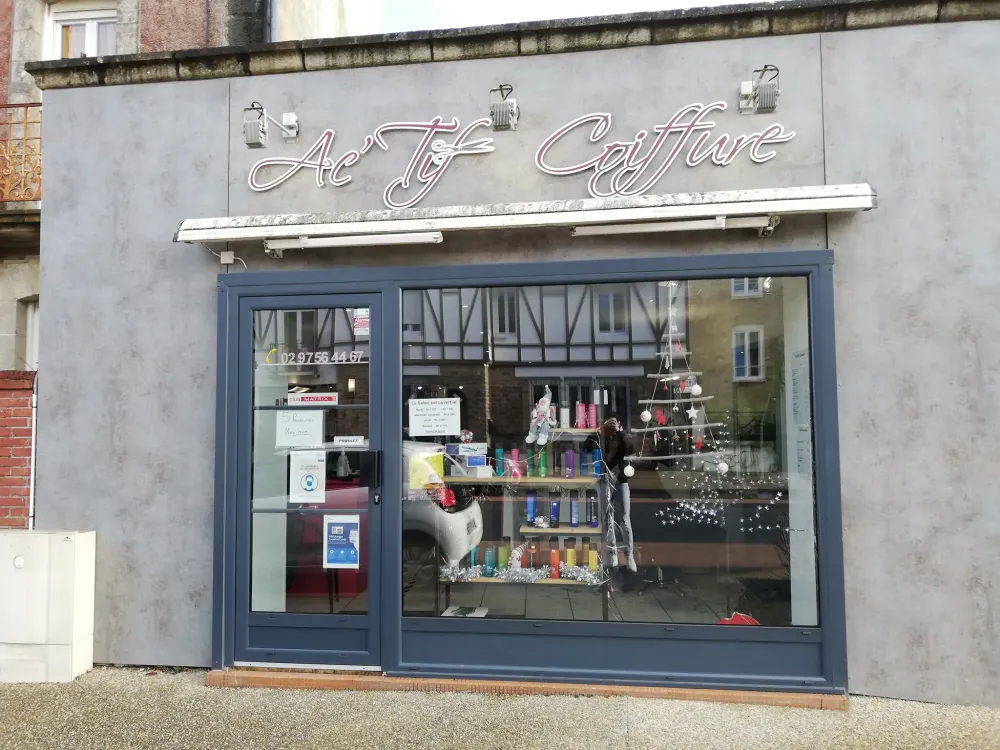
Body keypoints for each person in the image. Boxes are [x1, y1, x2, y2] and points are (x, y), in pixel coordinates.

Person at [602, 415, 637, 574]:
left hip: (622, 480)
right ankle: (612, 552)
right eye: (610, 422)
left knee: (625, 518)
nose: (612, 424)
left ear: (620, 423)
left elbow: (631, 449)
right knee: (608, 518)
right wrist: (602, 430)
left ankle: (629, 555)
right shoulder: (601, 435)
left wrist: (620, 432)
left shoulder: (623, 436)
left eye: (614, 421)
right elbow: (589, 446)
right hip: (605, 480)